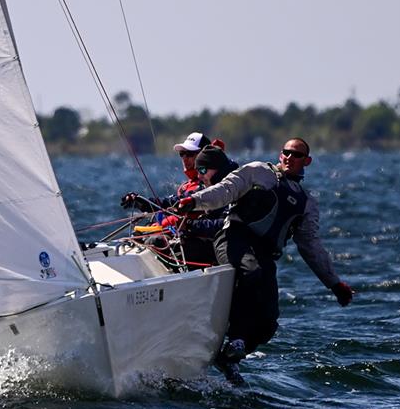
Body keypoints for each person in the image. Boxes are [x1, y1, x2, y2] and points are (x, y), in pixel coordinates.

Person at [176, 138, 353, 384]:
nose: (290, 157)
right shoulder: (259, 171)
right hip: (232, 238)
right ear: (280, 155)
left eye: (297, 154)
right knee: (250, 272)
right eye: (286, 152)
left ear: (307, 161)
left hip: (265, 254)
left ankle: (229, 358)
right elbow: (226, 190)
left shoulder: (307, 202)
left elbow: (310, 245)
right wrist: (194, 201)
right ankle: (235, 337)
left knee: (268, 322)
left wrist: (334, 284)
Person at [120, 132, 225, 213]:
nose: (184, 158)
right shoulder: (186, 186)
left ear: (204, 155)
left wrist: (147, 204)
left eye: (189, 154)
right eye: (182, 154)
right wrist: (140, 202)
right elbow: (172, 203)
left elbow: (174, 202)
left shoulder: (210, 183)